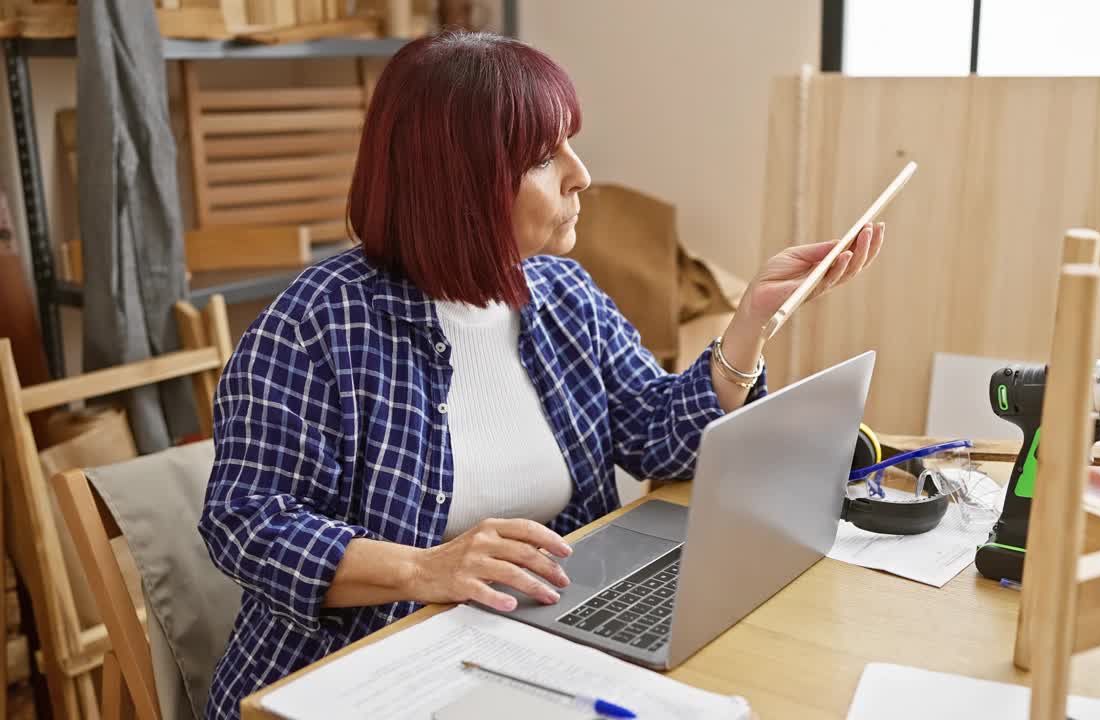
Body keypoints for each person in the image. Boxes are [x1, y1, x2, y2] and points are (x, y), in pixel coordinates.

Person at [198, 31, 884, 719]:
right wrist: (427, 568)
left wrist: (750, 324)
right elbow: (244, 523)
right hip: (366, 671)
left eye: (570, 144)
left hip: (534, 643)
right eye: (543, 157)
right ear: (459, 182)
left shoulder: (563, 294)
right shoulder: (316, 323)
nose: (581, 173)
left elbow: (655, 432)